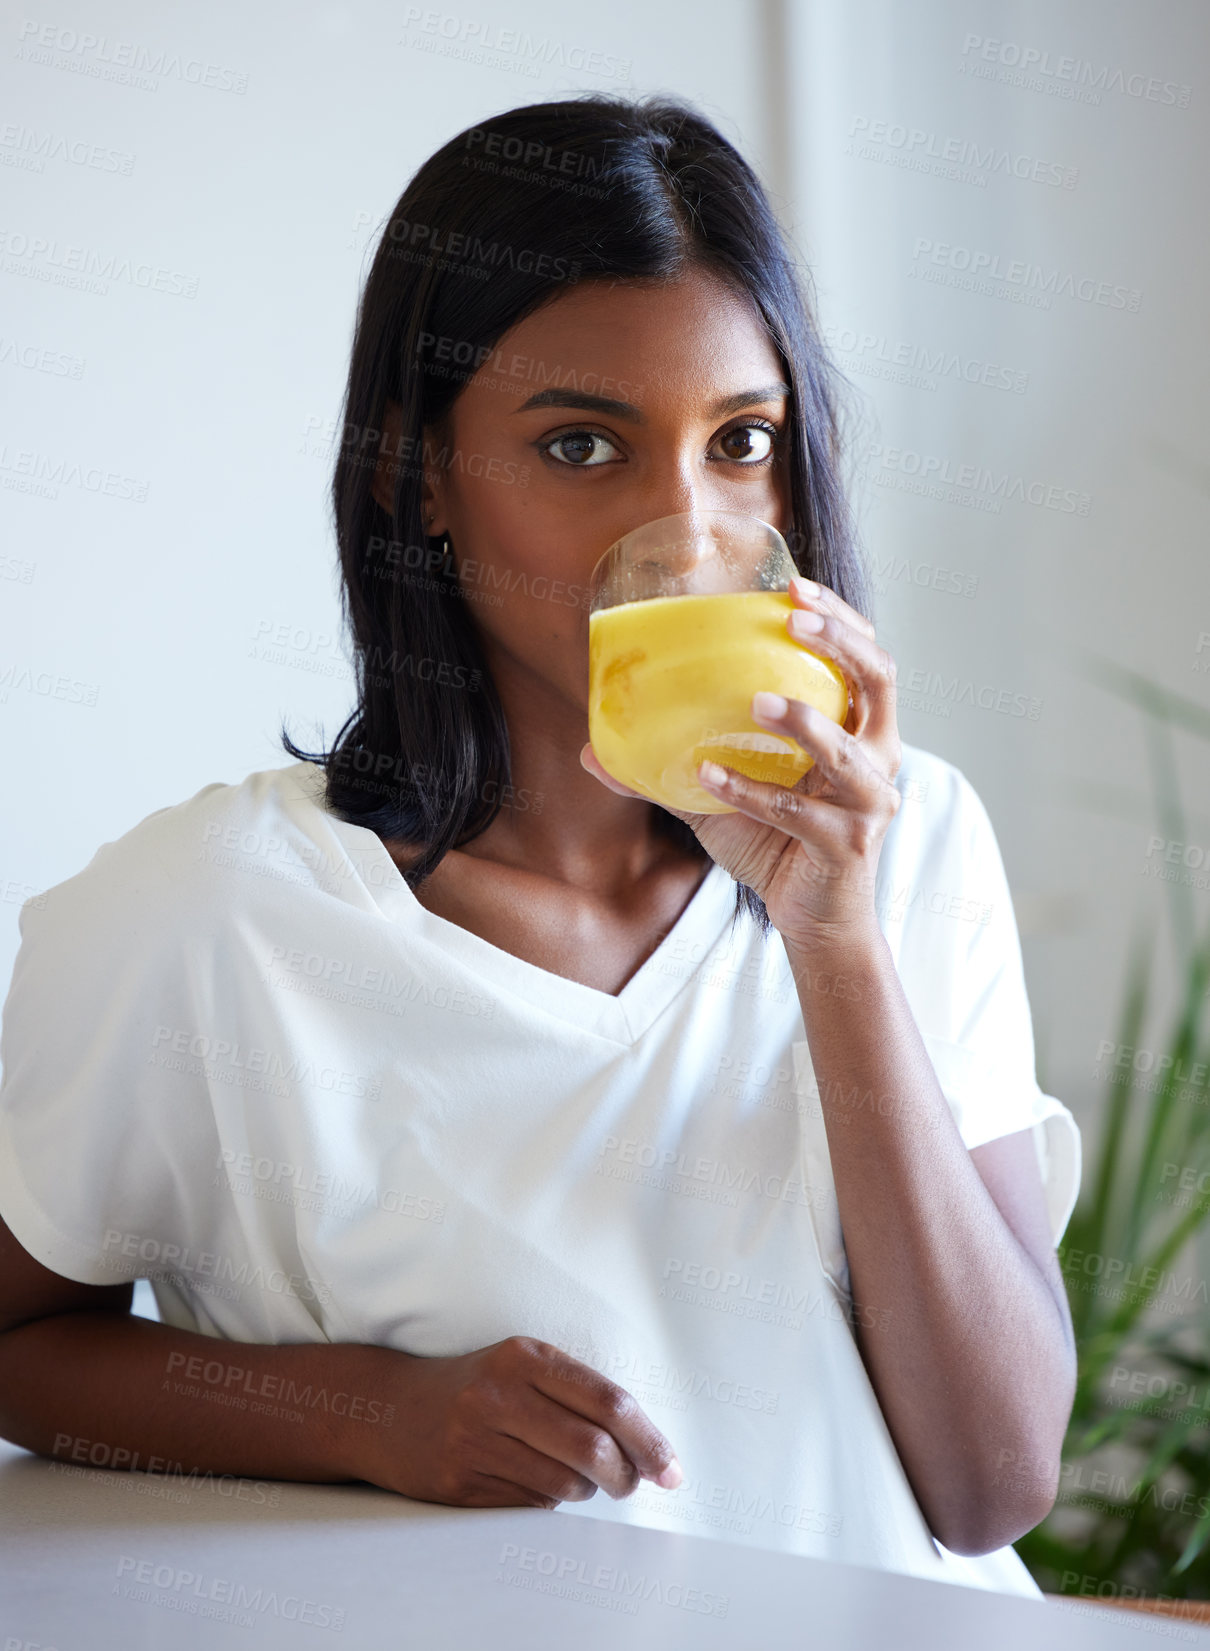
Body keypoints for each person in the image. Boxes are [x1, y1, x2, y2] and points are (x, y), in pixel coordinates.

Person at [0, 94, 1080, 1596]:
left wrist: (834, 940)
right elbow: (17, 1351)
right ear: (417, 477)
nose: (686, 531)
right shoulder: (208, 916)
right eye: (582, 445)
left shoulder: (911, 844)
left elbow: (990, 1488)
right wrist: (362, 1413)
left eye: (741, 444)